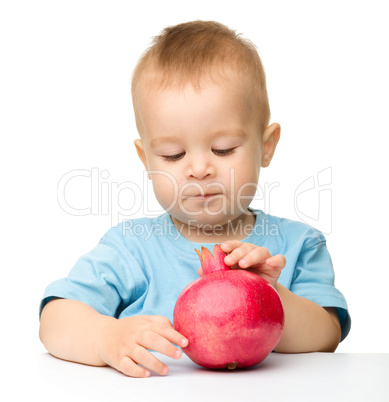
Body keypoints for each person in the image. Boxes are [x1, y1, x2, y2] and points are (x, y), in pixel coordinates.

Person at [39, 20, 351, 378]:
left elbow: (328, 336)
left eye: (223, 149)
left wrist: (268, 293)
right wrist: (105, 336)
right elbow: (54, 320)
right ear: (146, 161)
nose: (199, 169)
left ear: (266, 146)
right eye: (173, 155)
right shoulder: (131, 250)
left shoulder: (296, 246)